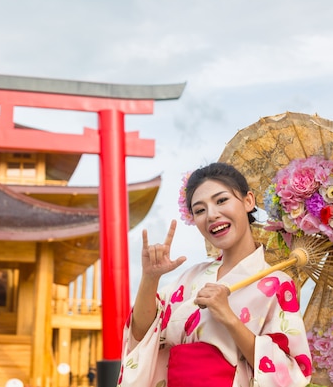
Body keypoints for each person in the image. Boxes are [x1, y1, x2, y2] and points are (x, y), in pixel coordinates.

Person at [116, 162, 312, 387]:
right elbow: (143, 336)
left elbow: (292, 373)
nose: (211, 215)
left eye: (221, 200)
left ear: (248, 201)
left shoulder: (277, 284)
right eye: (200, 210)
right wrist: (150, 279)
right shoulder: (190, 278)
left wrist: (229, 318)